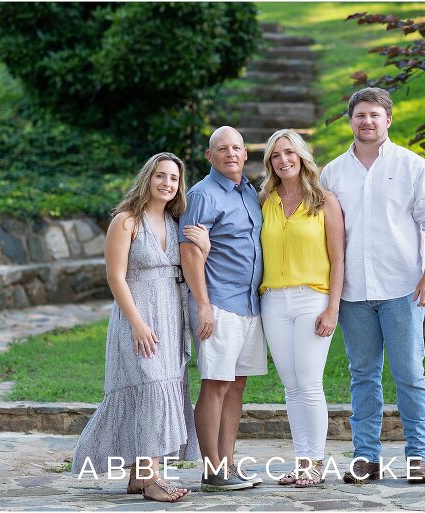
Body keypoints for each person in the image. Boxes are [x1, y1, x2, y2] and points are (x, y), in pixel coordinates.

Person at [320, 87, 425, 484]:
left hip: (402, 290)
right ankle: (365, 458)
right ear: (350, 120)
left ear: (388, 120)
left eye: (374, 114)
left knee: (409, 373)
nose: (367, 121)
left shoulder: (413, 166)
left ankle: (420, 457)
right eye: (360, 115)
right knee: (363, 376)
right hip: (354, 293)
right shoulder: (332, 173)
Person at [72, 152, 211, 502]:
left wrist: (204, 251)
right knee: (149, 388)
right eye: (161, 176)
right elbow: (114, 276)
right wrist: (136, 323)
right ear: (148, 178)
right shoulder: (126, 221)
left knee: (162, 389)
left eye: (174, 178)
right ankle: (152, 480)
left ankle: (138, 476)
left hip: (171, 319)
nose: (167, 183)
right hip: (138, 319)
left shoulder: (177, 222)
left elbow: (188, 270)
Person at [179, 126, 267, 491]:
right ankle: (211, 469)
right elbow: (188, 251)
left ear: (246, 154)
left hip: (249, 303)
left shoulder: (249, 192)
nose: (231, 154)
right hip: (217, 302)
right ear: (209, 156)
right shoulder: (201, 194)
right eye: (222, 148)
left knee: (237, 384)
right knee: (215, 384)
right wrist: (203, 306)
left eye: (236, 148)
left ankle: (228, 464)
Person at [257, 129, 344, 488]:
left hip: (313, 299)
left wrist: (332, 308)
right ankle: (301, 461)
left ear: (302, 156)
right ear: (270, 163)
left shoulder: (324, 200)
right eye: (276, 156)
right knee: (291, 387)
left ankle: (316, 463)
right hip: (273, 301)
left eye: (289, 153)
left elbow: (338, 259)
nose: (284, 160)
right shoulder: (265, 198)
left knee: (309, 384)